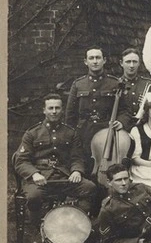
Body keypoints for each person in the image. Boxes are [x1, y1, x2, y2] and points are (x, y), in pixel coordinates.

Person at [15, 93, 97, 223]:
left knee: (89, 187)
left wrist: (76, 171)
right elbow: (21, 161)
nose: (54, 112)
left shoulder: (70, 133)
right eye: (50, 108)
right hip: (40, 179)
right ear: (44, 110)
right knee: (34, 196)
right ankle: (39, 227)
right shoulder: (32, 133)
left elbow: (77, 157)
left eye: (57, 108)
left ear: (62, 109)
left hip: (64, 178)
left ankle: (76, 223)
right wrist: (34, 174)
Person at [64, 45, 124, 170]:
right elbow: (70, 114)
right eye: (91, 58)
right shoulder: (78, 84)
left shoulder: (115, 83)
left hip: (106, 130)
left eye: (98, 57)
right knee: (85, 164)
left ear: (104, 60)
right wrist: (72, 134)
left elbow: (124, 109)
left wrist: (121, 122)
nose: (95, 61)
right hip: (84, 132)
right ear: (86, 61)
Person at [116, 47, 151, 132]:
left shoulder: (148, 84)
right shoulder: (115, 84)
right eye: (128, 62)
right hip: (122, 129)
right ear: (121, 63)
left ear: (139, 64)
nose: (131, 65)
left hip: (144, 129)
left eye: (134, 62)